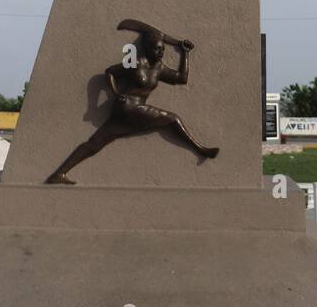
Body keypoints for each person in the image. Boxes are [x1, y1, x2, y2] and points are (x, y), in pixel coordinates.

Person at [45, 18, 219, 184]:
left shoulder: (159, 69)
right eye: (157, 49)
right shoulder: (135, 62)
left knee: (95, 144)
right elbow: (110, 72)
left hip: (133, 111)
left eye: (162, 50)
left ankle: (58, 174)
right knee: (172, 119)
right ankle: (200, 149)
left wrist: (185, 53)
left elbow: (181, 78)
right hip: (126, 107)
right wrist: (113, 93)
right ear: (147, 47)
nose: (160, 52)